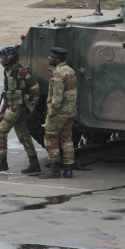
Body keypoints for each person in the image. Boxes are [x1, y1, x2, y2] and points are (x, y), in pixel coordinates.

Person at [0, 47, 40, 173]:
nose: (1, 60)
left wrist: (32, 105)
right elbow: (8, 92)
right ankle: (34, 164)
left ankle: (2, 162)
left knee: (1, 132)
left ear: (10, 58)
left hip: (18, 107)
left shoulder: (20, 71)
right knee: (23, 135)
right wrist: (3, 109)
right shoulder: (7, 70)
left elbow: (35, 86)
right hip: (12, 106)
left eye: (3, 58)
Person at [39, 47, 77, 179]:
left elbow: (57, 95)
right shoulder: (70, 70)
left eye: (51, 56)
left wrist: (52, 112)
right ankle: (68, 169)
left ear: (58, 59)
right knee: (67, 140)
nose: (49, 58)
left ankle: (54, 169)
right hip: (69, 112)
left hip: (58, 113)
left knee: (51, 139)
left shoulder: (58, 73)